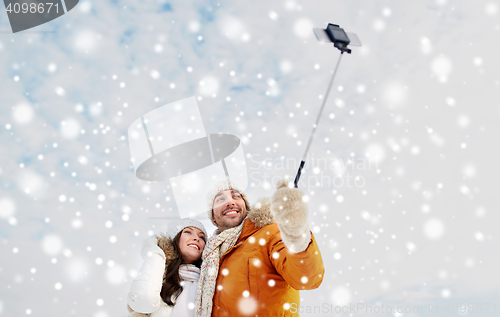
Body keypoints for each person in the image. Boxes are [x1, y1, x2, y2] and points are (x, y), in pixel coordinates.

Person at [195, 179, 325, 317]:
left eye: (236, 196)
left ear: (246, 206)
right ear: (213, 218)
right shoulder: (209, 257)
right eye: (220, 199)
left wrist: (295, 233)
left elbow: (306, 278)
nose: (230, 202)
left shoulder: (270, 234)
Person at [127, 218, 207, 317]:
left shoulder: (209, 282)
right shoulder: (159, 275)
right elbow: (143, 301)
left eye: (202, 237)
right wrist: (156, 253)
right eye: (188, 232)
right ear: (174, 239)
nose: (196, 238)